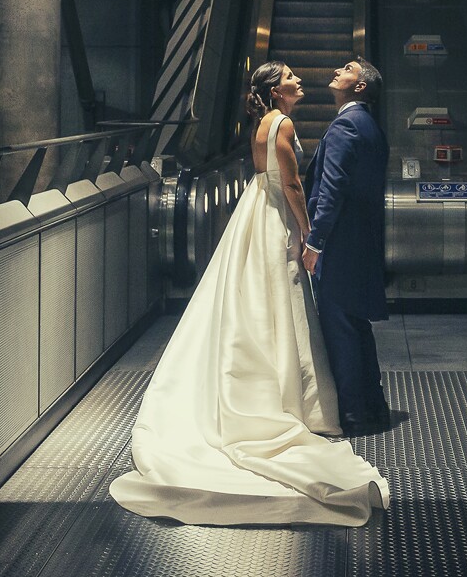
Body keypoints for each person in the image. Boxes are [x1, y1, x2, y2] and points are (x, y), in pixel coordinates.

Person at [110, 62, 389, 526]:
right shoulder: (284, 124)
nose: (302, 80)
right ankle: (303, 401)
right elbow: (295, 185)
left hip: (258, 215)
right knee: (283, 306)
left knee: (258, 305)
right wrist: (308, 236)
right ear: (276, 90)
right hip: (278, 218)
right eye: (291, 78)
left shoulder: (268, 123)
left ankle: (281, 390)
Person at [302, 58, 393, 431]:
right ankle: (374, 405)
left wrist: (315, 241)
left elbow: (331, 189)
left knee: (339, 328)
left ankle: (353, 414)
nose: (337, 69)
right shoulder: (370, 127)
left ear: (359, 87)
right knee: (357, 326)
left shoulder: (345, 126)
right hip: (363, 242)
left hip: (340, 245)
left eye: (348, 69)